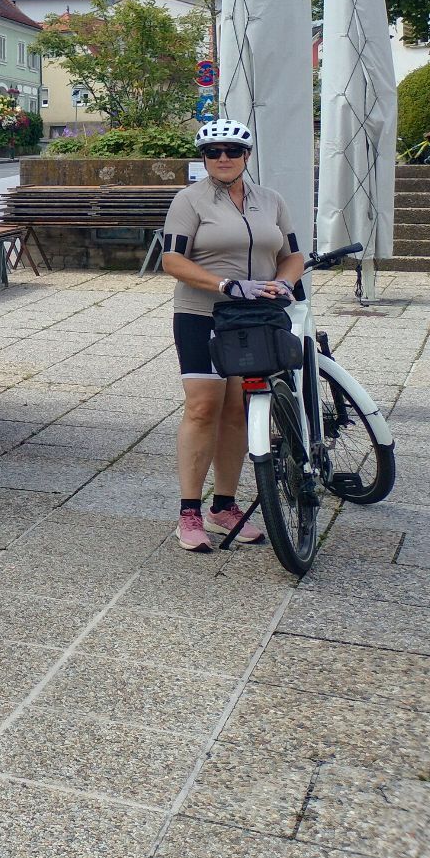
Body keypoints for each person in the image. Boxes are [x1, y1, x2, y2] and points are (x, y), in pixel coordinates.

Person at [158, 118, 304, 552]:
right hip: (203, 314)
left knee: (238, 410)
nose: (223, 158)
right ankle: (189, 512)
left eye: (232, 151)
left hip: (254, 317)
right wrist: (225, 284)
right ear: (204, 158)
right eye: (213, 152)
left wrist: (284, 282)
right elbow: (172, 260)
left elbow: (292, 254)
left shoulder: (271, 201)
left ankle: (223, 506)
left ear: (247, 156)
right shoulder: (189, 201)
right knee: (204, 407)